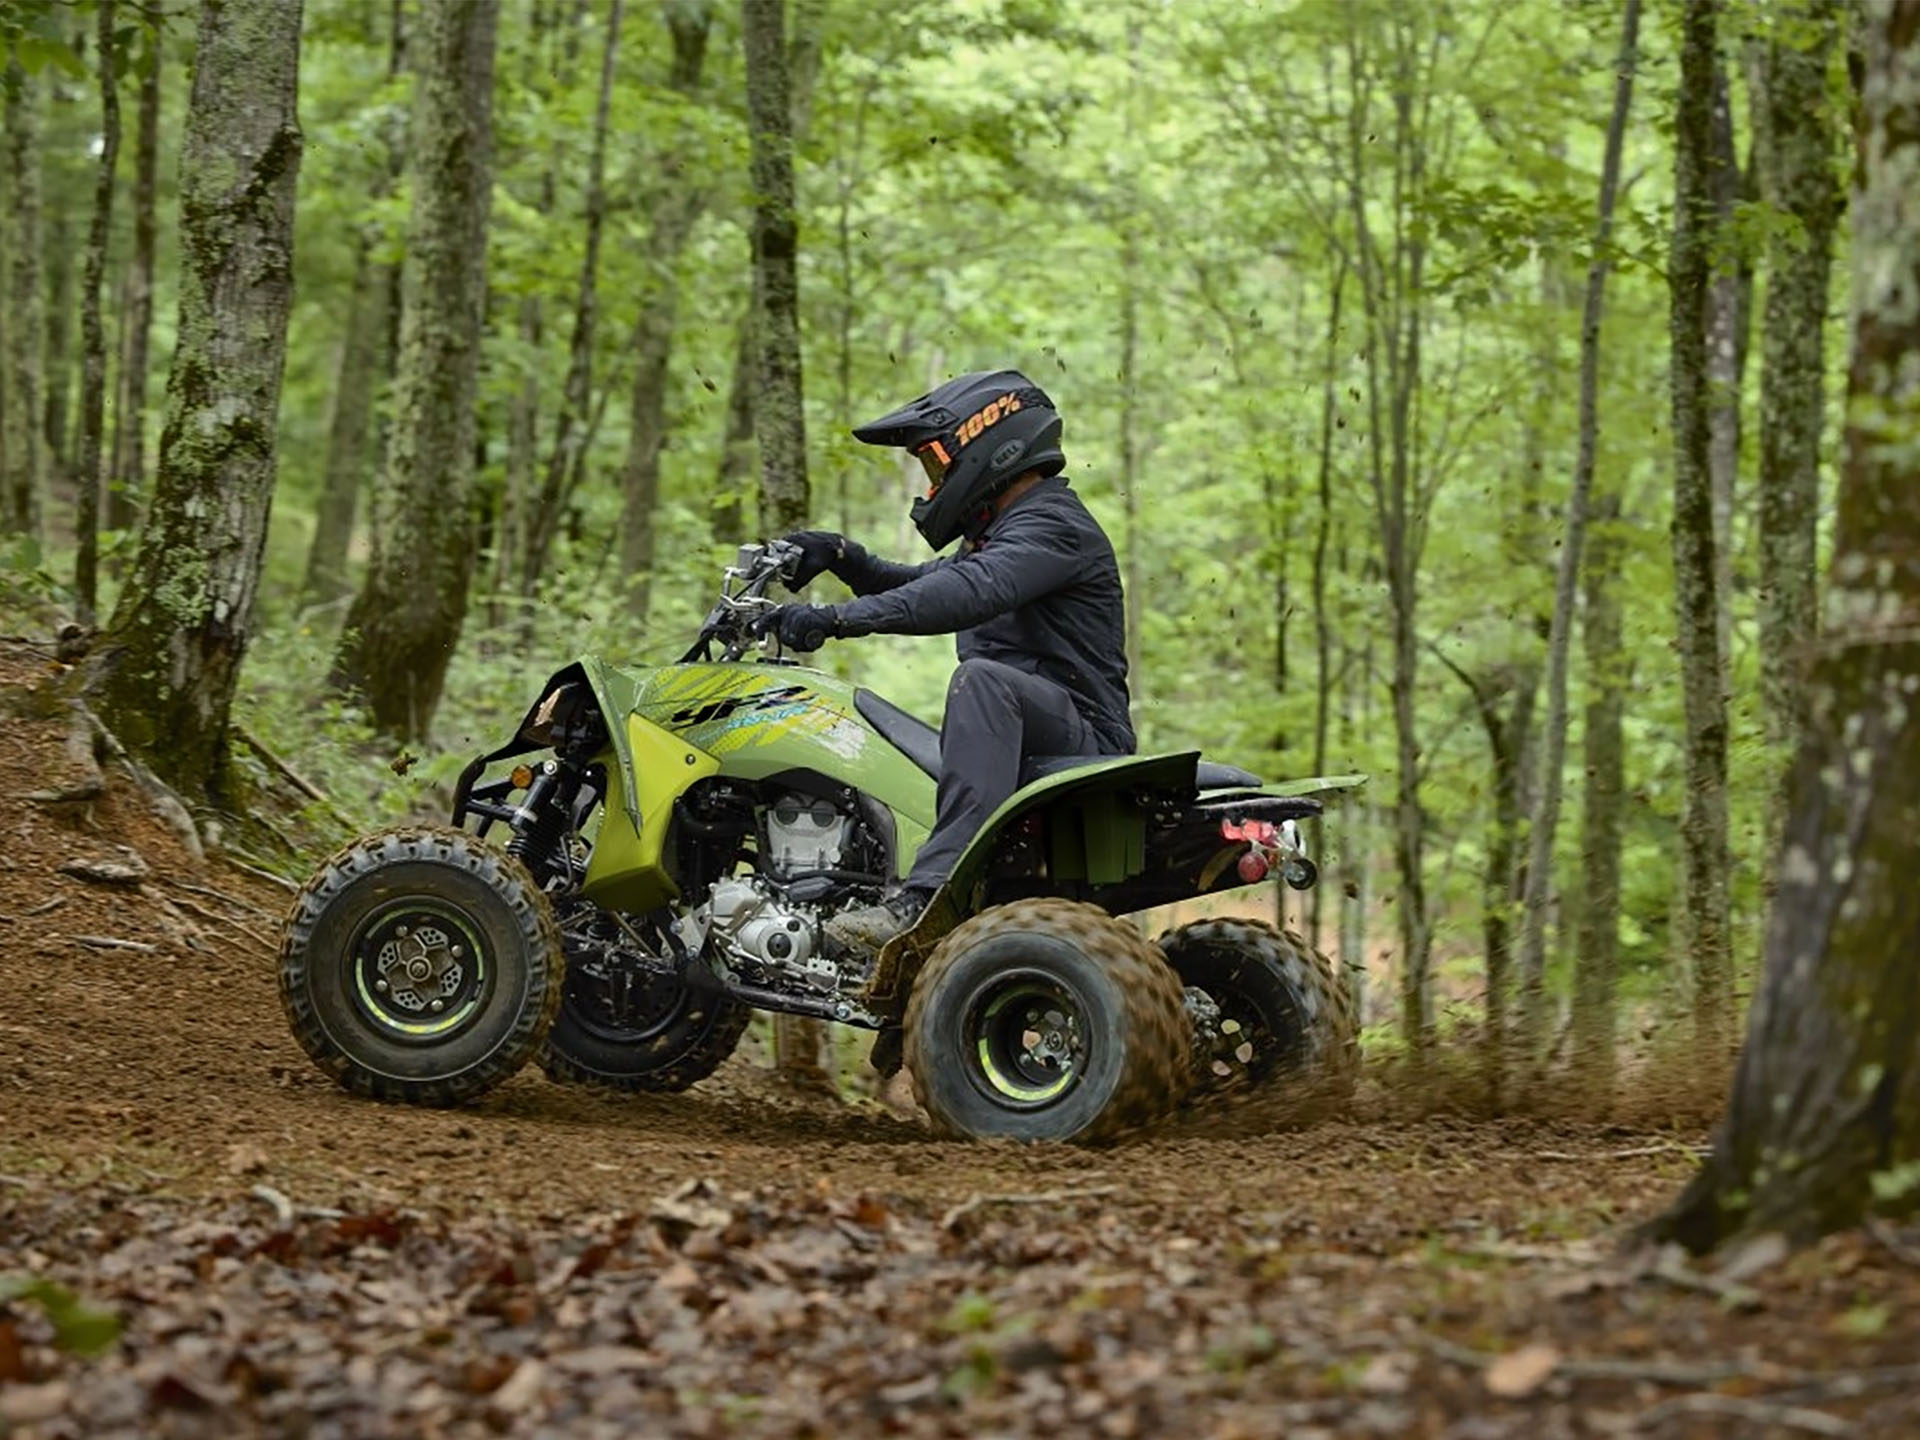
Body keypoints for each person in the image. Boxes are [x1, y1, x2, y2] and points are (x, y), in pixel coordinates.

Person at [755, 368, 1133, 960]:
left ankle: (925, 900)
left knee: (981, 682)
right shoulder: (1005, 534)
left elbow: (965, 593)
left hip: (1084, 735)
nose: (934, 484)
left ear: (989, 444)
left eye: (936, 465)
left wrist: (835, 619)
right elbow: (923, 583)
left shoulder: (1052, 523)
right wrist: (842, 556)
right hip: (1039, 733)